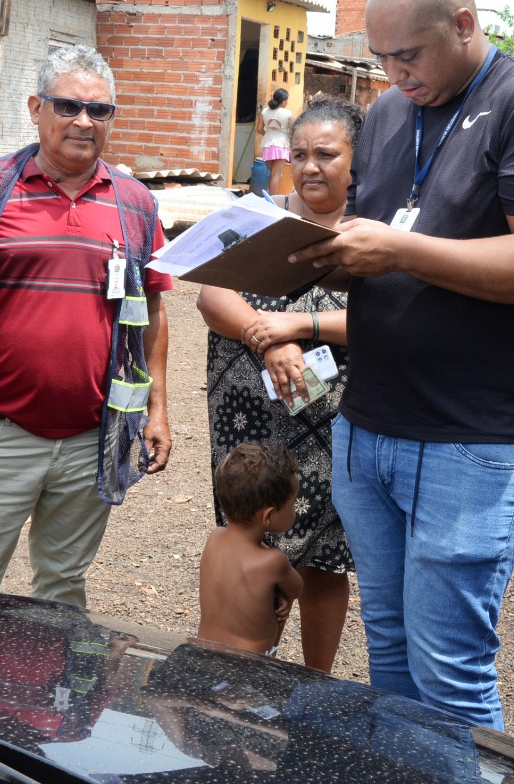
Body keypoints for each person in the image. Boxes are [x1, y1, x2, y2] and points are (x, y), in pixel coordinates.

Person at [289, 0, 514, 728]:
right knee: (391, 654)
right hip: (369, 424)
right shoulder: (395, 112)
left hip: (470, 438)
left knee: (450, 670)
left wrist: (399, 252)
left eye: (409, 54)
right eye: (381, 56)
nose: (394, 73)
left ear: (464, 25)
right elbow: (381, 231)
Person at [0, 45, 171, 607]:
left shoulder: (134, 203)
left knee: (63, 587)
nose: (84, 122)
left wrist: (158, 409)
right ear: (35, 108)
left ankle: (59, 697)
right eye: (68, 106)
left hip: (92, 438)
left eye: (100, 111)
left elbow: (156, 309)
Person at [198, 96, 360, 672]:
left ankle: (315, 684)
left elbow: (389, 319)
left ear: (354, 157)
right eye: (299, 154)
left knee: (322, 559)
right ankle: (239, 672)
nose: (310, 166)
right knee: (249, 541)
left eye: (326, 153)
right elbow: (211, 292)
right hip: (246, 411)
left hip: (331, 421)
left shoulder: (374, 232)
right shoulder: (256, 213)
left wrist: (301, 326)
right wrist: (268, 339)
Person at [197, 442, 304, 657]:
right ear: (269, 516)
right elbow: (296, 589)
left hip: (203, 654)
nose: (295, 508)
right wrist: (281, 594)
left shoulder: (214, 538)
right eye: (293, 503)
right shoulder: (273, 562)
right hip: (248, 668)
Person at [257, 88, 293, 194]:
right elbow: (293, 130)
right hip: (281, 144)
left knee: (272, 174)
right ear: (283, 101)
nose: (287, 102)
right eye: (286, 100)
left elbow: (259, 129)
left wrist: (267, 134)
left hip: (267, 144)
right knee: (276, 174)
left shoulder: (264, 112)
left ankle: (272, 197)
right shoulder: (288, 113)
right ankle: (273, 199)